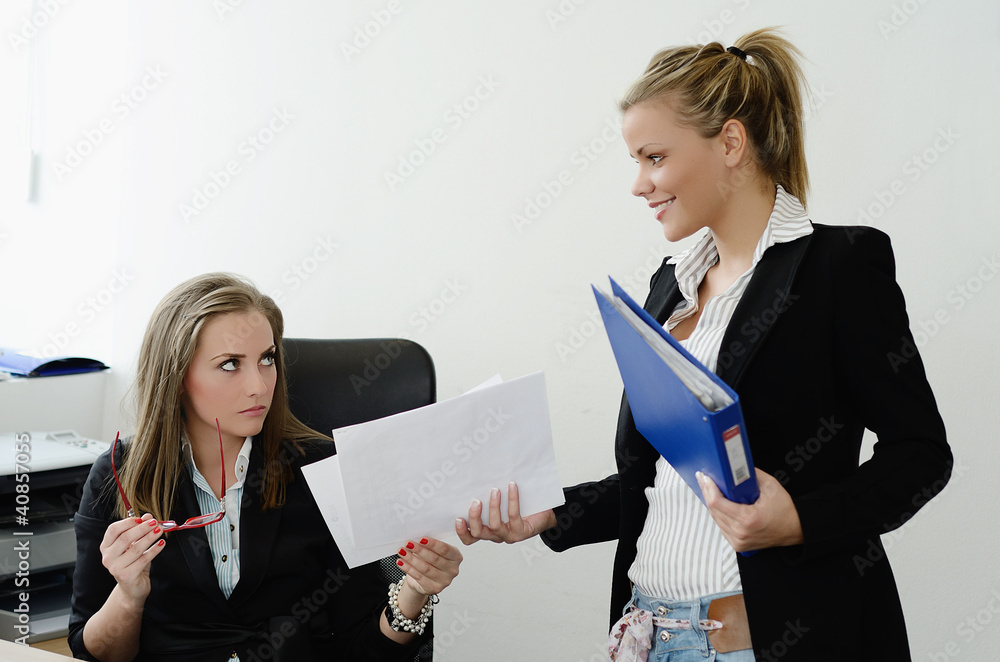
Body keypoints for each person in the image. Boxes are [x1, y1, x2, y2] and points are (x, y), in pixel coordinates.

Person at [456, 28, 952, 661]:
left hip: (759, 644)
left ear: (731, 143)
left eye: (654, 157)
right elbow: (662, 481)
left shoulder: (840, 266)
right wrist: (550, 513)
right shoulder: (671, 286)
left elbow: (921, 454)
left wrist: (799, 520)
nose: (639, 183)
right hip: (647, 635)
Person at [69, 273, 463, 661]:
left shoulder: (324, 471)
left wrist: (413, 593)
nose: (259, 386)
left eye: (267, 359)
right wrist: (128, 595)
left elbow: (363, 650)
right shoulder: (119, 474)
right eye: (230, 364)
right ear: (176, 375)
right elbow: (95, 652)